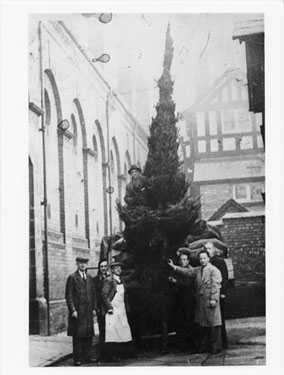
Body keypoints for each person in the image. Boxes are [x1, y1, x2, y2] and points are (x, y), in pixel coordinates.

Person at [65, 256, 97, 366]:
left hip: (88, 312)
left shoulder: (90, 278)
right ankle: (77, 359)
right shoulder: (72, 277)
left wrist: (94, 308)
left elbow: (94, 294)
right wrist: (73, 310)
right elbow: (69, 295)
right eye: (80, 263)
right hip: (78, 312)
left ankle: (87, 357)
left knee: (88, 336)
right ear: (77, 264)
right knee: (78, 337)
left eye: (85, 263)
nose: (83, 265)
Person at [101, 261, 134, 362]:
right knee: (112, 332)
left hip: (121, 309)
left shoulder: (122, 280)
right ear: (112, 270)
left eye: (120, 268)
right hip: (113, 309)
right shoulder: (109, 280)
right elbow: (104, 295)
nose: (119, 269)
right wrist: (109, 307)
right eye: (116, 268)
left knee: (123, 330)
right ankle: (112, 355)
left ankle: (122, 353)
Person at [167, 250, 197, 352]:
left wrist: (175, 281)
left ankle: (191, 345)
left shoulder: (190, 270)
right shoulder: (179, 270)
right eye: (181, 260)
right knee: (180, 323)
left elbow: (187, 285)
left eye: (184, 260)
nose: (182, 262)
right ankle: (182, 345)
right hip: (180, 300)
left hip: (188, 300)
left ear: (188, 261)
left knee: (189, 323)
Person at [195, 249, 222, 354]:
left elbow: (216, 285)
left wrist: (214, 299)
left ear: (209, 258)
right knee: (204, 325)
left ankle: (216, 347)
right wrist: (175, 268)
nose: (202, 260)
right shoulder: (199, 270)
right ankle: (206, 346)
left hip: (210, 300)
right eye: (200, 258)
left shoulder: (213, 270)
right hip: (202, 302)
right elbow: (188, 272)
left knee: (214, 324)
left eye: (204, 258)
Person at [204, 241, 229, 349]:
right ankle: (211, 343)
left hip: (218, 293)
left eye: (210, 248)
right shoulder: (203, 262)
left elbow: (225, 277)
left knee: (220, 318)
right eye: (206, 249)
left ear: (214, 249)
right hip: (208, 293)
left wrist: (223, 292)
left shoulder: (219, 261)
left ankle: (223, 343)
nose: (208, 251)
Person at [93, 259, 109, 360]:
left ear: (108, 267)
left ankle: (112, 353)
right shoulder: (95, 280)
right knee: (102, 331)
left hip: (110, 309)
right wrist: (96, 307)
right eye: (101, 267)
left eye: (105, 266)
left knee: (111, 330)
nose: (103, 268)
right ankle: (103, 354)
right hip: (100, 309)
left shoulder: (111, 278)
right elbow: (94, 295)